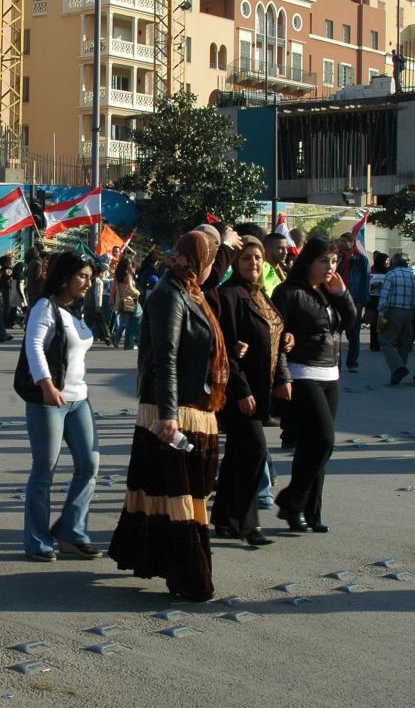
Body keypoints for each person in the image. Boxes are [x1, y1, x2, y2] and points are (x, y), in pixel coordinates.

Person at [109, 231, 228, 602]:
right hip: (175, 413)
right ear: (198, 261)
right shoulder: (168, 295)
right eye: (211, 259)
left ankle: (160, 561)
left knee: (175, 493)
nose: (214, 267)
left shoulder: (191, 290)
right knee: (179, 497)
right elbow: (166, 358)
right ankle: (190, 577)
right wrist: (168, 415)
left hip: (195, 407)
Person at [272, 237, 356, 533]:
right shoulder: (289, 292)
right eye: (324, 261)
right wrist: (282, 377)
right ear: (308, 261)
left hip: (330, 374)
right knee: (323, 440)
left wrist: (343, 294)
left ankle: (308, 512)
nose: (330, 267)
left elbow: (350, 322)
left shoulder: (329, 291)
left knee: (314, 448)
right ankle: (291, 500)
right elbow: (278, 339)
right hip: (302, 372)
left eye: (333, 261)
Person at [21, 251, 100, 562]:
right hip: (50, 400)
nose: (88, 283)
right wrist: (46, 385)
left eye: (90, 278)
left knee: (89, 464)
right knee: (44, 471)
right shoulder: (45, 306)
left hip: (79, 399)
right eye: (82, 276)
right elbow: (33, 345)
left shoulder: (72, 310)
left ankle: (72, 531)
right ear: (65, 276)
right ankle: (37, 540)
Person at [212, 237, 291, 546]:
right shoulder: (229, 296)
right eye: (246, 258)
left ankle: (224, 518)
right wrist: (241, 389)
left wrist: (287, 340)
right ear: (235, 263)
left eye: (257, 258)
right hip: (239, 391)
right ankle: (248, 524)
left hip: (262, 389)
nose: (254, 263)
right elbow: (226, 350)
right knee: (255, 451)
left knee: (237, 456)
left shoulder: (260, 295)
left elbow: (274, 330)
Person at [377, 252, 415, 385]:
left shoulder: (391, 275)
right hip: (409, 313)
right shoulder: (412, 276)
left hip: (393, 312)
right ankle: (397, 374)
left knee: (385, 341)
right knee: (404, 344)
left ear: (393, 263)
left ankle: (398, 368)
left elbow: (385, 296)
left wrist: (381, 314)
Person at [335, 232, 369, 373]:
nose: (342, 243)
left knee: (353, 334)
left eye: (344, 241)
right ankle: (337, 364)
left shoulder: (361, 260)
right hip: (338, 299)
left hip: (355, 300)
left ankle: (352, 362)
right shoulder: (338, 258)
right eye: (340, 241)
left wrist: (362, 300)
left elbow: (365, 281)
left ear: (352, 242)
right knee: (336, 332)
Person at [110, 256, 140, 349]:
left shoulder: (117, 274)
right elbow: (130, 288)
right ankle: (126, 341)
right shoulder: (128, 275)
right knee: (130, 321)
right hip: (129, 300)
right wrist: (138, 292)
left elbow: (114, 288)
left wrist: (112, 298)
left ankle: (117, 338)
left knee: (123, 321)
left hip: (120, 300)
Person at [366, 252, 389, 352]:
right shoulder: (372, 269)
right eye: (386, 261)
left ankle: (380, 343)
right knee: (374, 323)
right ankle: (374, 344)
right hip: (373, 300)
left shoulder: (389, 271)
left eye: (388, 261)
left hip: (383, 300)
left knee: (383, 323)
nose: (387, 263)